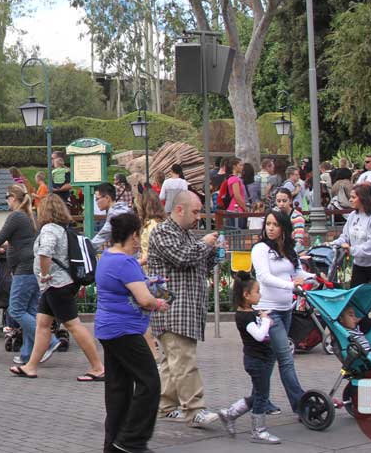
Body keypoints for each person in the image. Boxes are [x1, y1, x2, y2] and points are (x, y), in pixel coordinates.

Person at [95, 211, 169, 453]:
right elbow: (145, 300)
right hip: (124, 331)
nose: (139, 242)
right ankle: (132, 441)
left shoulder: (107, 257)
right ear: (134, 236)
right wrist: (159, 302)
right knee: (150, 383)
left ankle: (113, 444)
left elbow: (125, 287)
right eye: (138, 236)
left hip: (107, 330)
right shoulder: (126, 263)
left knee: (119, 389)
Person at [146, 191, 221, 428]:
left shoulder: (186, 234)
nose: (199, 216)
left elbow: (199, 263)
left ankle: (166, 406)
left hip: (186, 306)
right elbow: (183, 258)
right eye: (196, 211)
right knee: (184, 360)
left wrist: (214, 253)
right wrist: (205, 244)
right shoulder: (162, 232)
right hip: (172, 308)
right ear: (180, 209)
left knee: (172, 361)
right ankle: (194, 409)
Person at [11, 195, 105, 382]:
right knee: (43, 324)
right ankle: (31, 366)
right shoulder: (63, 229)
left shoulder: (49, 229)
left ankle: (98, 367)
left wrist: (44, 275)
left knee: (73, 325)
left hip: (55, 284)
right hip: (58, 285)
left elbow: (46, 252)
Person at [0, 184, 59, 368]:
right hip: (32, 268)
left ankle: (49, 340)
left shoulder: (16, 215)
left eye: (7, 197)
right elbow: (15, 241)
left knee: (16, 310)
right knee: (30, 311)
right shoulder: (30, 215)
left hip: (24, 270)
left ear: (13, 197)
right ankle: (27, 354)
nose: (6, 201)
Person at [250, 209, 310, 414]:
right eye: (268, 224)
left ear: (284, 227)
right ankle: (300, 404)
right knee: (285, 357)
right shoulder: (260, 249)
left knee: (270, 358)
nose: (271, 228)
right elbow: (264, 277)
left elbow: (298, 272)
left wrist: (314, 277)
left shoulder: (289, 250)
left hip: (286, 309)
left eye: (275, 224)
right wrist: (291, 286)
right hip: (267, 310)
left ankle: (258, 400)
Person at [218, 272, 281, 444]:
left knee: (259, 394)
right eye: (257, 291)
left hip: (261, 358)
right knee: (262, 395)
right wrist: (266, 320)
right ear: (246, 295)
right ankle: (258, 431)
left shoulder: (250, 312)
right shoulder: (244, 317)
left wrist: (263, 319)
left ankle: (229, 413)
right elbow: (259, 336)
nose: (260, 294)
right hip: (256, 360)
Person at [328, 183, 371, 334]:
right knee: (355, 295)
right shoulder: (353, 216)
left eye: (353, 197)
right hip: (360, 264)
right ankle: (361, 323)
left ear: (362, 198)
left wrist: (351, 249)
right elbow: (345, 236)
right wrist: (333, 243)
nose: (350, 200)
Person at [220, 157, 246, 230]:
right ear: (234, 166)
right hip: (236, 209)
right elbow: (237, 195)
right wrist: (245, 208)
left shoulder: (231, 178)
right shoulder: (235, 179)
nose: (242, 167)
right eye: (240, 165)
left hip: (232, 208)